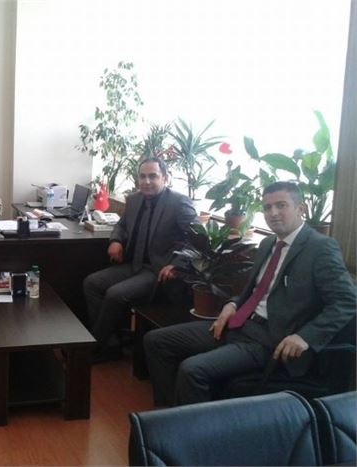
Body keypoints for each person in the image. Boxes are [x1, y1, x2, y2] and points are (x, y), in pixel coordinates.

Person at [144, 181, 356, 406]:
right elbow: (256, 291)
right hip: (239, 324)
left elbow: (347, 301)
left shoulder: (320, 248)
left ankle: (193, 426)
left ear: (300, 209)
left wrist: (306, 336)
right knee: (156, 341)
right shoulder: (267, 243)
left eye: (281, 205)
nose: (273, 213)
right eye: (267, 207)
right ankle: (167, 414)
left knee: (192, 369)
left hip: (269, 339)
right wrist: (233, 304)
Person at [83, 157, 197, 362]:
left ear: (165, 178)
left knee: (115, 294)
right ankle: (110, 344)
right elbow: (121, 225)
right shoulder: (134, 199)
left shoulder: (179, 202)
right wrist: (116, 240)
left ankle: (95, 348)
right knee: (92, 283)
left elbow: (199, 240)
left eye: (153, 176)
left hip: (158, 270)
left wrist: (176, 265)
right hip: (134, 264)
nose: (146, 181)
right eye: (142, 177)